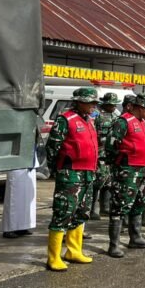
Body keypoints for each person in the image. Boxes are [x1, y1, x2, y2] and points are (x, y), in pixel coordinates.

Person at [44, 87, 99, 271]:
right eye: (89, 102)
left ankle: (74, 251)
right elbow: (52, 147)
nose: (93, 106)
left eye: (94, 103)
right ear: (78, 101)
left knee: (81, 211)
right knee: (64, 211)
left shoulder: (89, 120)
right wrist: (58, 169)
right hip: (70, 172)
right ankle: (54, 257)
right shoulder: (65, 119)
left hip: (87, 173)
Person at [106, 93, 145, 258]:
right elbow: (111, 145)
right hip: (127, 170)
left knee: (139, 203)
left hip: (142, 169)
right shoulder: (123, 122)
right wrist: (119, 163)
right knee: (120, 206)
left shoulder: (143, 122)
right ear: (140, 108)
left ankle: (136, 237)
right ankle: (114, 245)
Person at [2, 134, 39, 239]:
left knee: (26, 197)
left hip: (29, 159)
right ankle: (9, 228)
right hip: (17, 158)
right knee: (14, 196)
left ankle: (23, 226)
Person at [90, 92, 120, 220]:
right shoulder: (96, 114)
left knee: (108, 180)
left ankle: (105, 207)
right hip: (99, 152)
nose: (114, 106)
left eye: (115, 105)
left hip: (110, 152)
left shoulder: (116, 115)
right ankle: (92, 209)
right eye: (111, 104)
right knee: (97, 181)